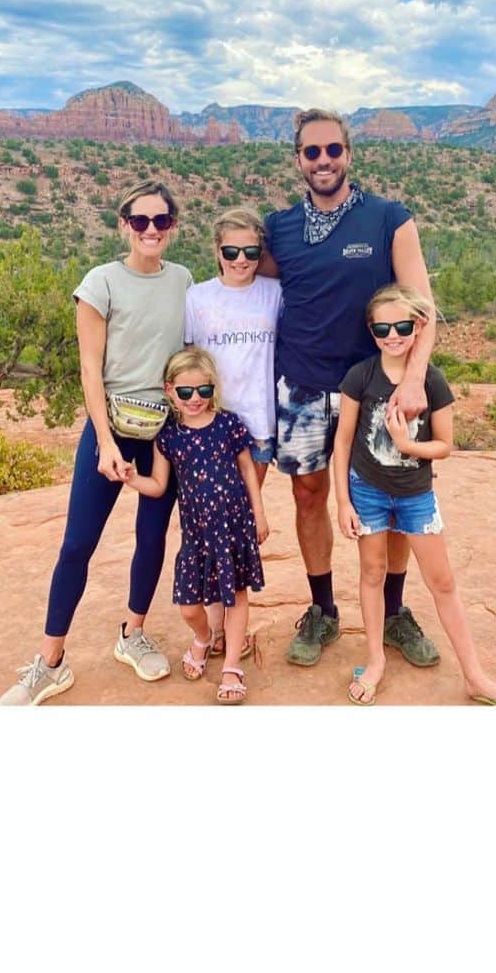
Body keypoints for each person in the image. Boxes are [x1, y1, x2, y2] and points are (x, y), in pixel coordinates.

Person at [0, 180, 193, 705]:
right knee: (78, 544)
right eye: (139, 220)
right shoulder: (100, 282)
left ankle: (132, 633)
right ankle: (51, 662)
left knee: (152, 536)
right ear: (123, 225)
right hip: (110, 428)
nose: (150, 230)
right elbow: (90, 368)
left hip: (163, 431)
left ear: (171, 227)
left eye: (160, 221)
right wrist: (105, 441)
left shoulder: (183, 280)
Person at [260, 107, 441, 668]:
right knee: (309, 494)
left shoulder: (389, 218)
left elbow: (424, 308)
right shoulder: (279, 229)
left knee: (392, 498)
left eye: (332, 150)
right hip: (303, 387)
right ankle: (323, 611)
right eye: (312, 152)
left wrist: (413, 380)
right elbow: (253, 295)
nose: (323, 161)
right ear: (298, 160)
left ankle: (392, 614)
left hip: (375, 390)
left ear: (348, 154)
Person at [335, 284, 496, 706]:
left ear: (418, 327)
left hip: (416, 495)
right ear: (372, 330)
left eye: (402, 326)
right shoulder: (361, 376)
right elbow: (343, 442)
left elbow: (444, 445)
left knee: (443, 581)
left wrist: (408, 447)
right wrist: (343, 501)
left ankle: (474, 674)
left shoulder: (433, 380)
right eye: (382, 328)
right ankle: (375, 660)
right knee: (371, 574)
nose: (393, 335)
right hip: (367, 492)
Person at [124, 348, 269, 704]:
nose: (195, 399)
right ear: (170, 390)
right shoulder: (169, 437)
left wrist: (259, 513)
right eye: (186, 392)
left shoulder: (228, 424)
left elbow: (249, 469)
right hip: (197, 534)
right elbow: (158, 485)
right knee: (190, 606)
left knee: (235, 596)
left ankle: (232, 665)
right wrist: (131, 478)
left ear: (213, 389)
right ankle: (204, 637)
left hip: (234, 526)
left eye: (203, 391)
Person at [184, 206, 281, 659]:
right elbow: (187, 363)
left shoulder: (274, 293)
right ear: (216, 250)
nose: (241, 260)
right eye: (231, 251)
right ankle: (221, 627)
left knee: (235, 527)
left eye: (250, 251)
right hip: (210, 429)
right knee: (211, 526)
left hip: (258, 427)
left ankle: (225, 628)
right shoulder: (197, 298)